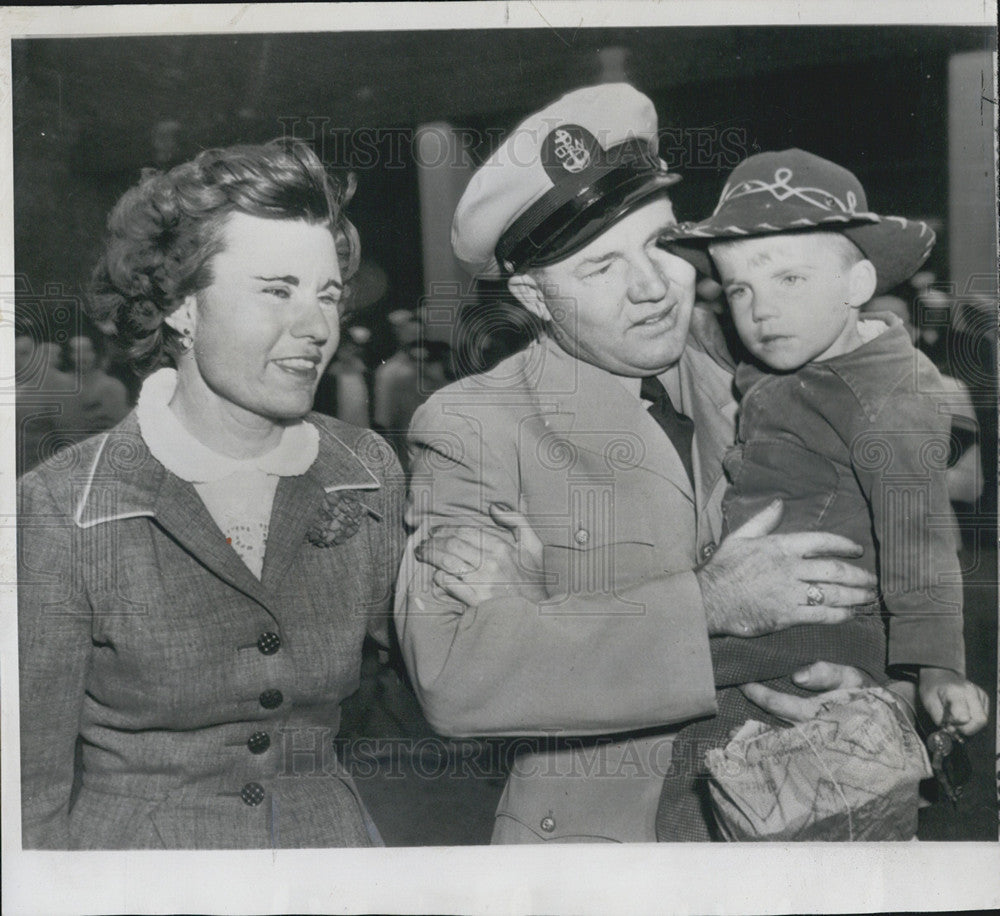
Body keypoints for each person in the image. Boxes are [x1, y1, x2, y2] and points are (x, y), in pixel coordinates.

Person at [395, 84, 883, 844]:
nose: (653, 287)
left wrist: (868, 687)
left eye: (659, 244)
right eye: (600, 269)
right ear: (532, 295)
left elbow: (863, 566)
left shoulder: (759, 381)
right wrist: (709, 607)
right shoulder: (474, 426)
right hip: (604, 852)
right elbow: (455, 675)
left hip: (790, 827)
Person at [17, 139, 404, 849]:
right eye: (276, 289)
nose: (317, 327)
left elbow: (418, 689)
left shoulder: (366, 467)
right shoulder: (61, 507)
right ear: (181, 308)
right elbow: (25, 794)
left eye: (328, 295)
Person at [655, 149, 989, 840]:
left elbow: (920, 541)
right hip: (766, 617)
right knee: (722, 796)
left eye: (791, 278)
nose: (761, 308)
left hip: (813, 632)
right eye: (739, 288)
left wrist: (936, 672)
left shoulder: (889, 394)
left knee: (729, 795)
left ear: (858, 282)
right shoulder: (796, 358)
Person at [58, 332, 131, 443]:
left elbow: (120, 426)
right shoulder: (61, 386)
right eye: (76, 352)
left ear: (96, 353)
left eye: (87, 350)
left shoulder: (112, 387)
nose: (82, 357)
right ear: (68, 355)